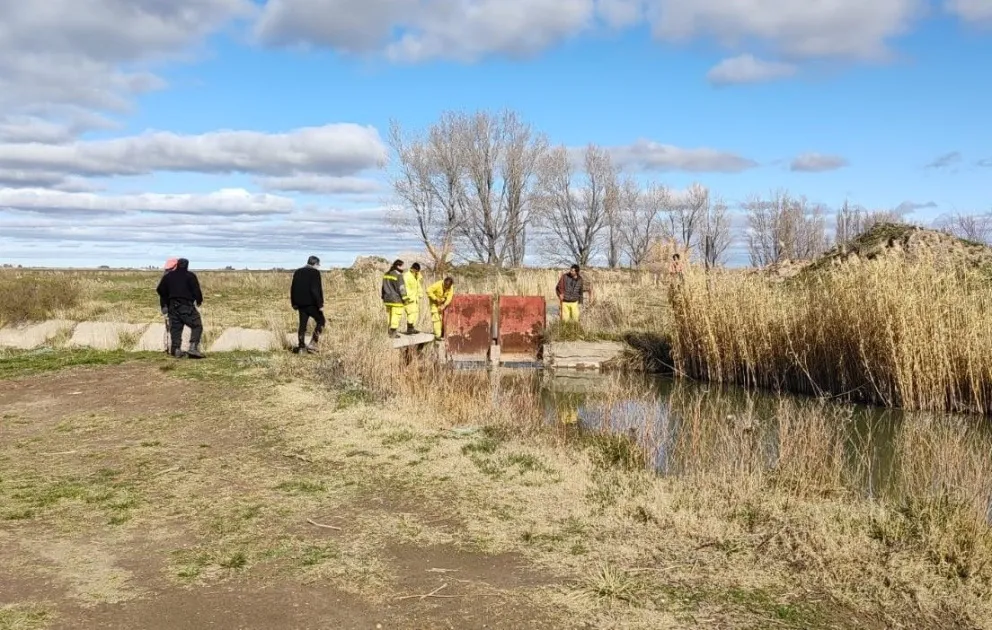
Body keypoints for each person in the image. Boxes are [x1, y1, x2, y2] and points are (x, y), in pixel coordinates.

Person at [156, 258, 205, 358]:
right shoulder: (190, 276)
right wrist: (199, 301)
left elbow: (160, 290)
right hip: (186, 305)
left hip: (172, 307)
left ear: (177, 265)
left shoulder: (168, 276)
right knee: (197, 325)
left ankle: (176, 350)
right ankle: (193, 348)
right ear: (187, 266)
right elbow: (196, 291)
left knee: (176, 329)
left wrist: (167, 300)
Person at [290, 255, 325, 353]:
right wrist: (320, 304)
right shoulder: (315, 273)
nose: (319, 266)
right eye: (318, 264)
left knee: (302, 325)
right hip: (311, 304)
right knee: (321, 320)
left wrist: (293, 303)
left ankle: (301, 347)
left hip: (300, 304)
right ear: (315, 264)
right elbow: (315, 289)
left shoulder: (298, 272)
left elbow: (293, 288)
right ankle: (313, 343)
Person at [381, 259, 407, 338]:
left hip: (387, 299)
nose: (404, 267)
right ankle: (393, 333)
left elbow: (383, 287)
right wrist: (405, 298)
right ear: (398, 266)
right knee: (396, 315)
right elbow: (401, 288)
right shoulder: (399, 275)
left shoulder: (386, 274)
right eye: (403, 265)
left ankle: (390, 332)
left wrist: (383, 296)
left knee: (390, 316)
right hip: (396, 300)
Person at [426, 276, 454, 340]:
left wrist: (444, 305)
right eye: (445, 286)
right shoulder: (438, 284)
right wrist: (435, 299)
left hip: (442, 303)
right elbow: (428, 290)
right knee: (436, 318)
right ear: (444, 282)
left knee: (441, 319)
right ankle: (437, 336)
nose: (447, 288)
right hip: (434, 302)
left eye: (448, 287)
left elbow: (449, 297)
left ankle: (440, 334)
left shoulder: (451, 287)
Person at [161, 258, 178, 353]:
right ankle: (172, 349)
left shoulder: (165, 277)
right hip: (171, 307)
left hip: (166, 307)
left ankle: (167, 347)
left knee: (168, 328)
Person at [402, 262, 423, 334]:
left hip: (415, 298)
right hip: (409, 298)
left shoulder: (416, 276)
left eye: (418, 271)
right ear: (413, 269)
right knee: (411, 312)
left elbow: (418, 286)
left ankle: (412, 328)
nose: (417, 272)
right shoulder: (406, 276)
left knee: (415, 313)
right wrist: (407, 297)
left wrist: (420, 293)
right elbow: (404, 288)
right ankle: (409, 329)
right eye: (416, 270)